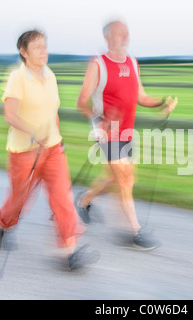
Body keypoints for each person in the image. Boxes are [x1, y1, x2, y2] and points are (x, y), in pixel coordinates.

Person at [0, 29, 100, 271]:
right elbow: (10, 114)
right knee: (19, 200)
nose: (43, 51)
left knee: (62, 198)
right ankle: (0, 224)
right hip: (24, 152)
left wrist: (58, 139)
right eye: (37, 47)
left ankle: (69, 252)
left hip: (52, 149)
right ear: (23, 51)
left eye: (45, 46)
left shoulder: (50, 75)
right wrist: (32, 132)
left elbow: (51, 111)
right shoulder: (17, 77)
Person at [76, 20, 177, 250]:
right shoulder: (98, 65)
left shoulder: (132, 62)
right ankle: (136, 232)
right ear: (107, 38)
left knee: (114, 178)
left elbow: (141, 96)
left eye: (126, 32)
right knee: (126, 178)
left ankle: (84, 200)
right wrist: (100, 121)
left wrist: (162, 102)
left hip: (127, 132)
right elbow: (81, 102)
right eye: (119, 32)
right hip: (107, 132)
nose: (124, 35)